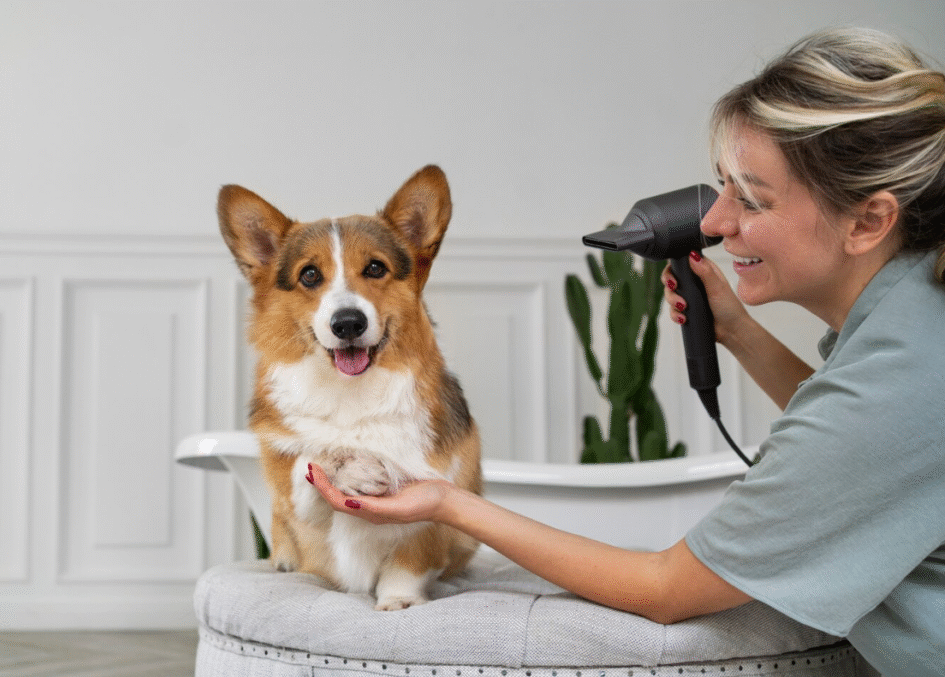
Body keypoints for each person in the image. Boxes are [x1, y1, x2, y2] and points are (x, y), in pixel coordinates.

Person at [308, 28, 945, 676]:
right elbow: (862, 439)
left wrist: (448, 502)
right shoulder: (914, 318)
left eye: (751, 198)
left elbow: (666, 588)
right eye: (722, 186)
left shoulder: (896, 381)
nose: (716, 221)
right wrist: (739, 333)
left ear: (869, 221)